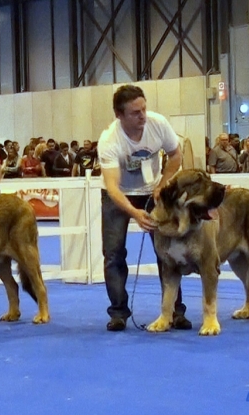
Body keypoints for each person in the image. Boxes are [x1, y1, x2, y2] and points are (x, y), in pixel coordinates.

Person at [97, 84, 191, 332]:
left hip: (153, 191)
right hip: (119, 195)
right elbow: (113, 188)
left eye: (144, 109)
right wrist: (135, 213)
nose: (143, 116)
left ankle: (174, 311)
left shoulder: (158, 124)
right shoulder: (109, 140)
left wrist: (163, 183)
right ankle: (118, 312)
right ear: (119, 115)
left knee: (167, 252)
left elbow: (175, 155)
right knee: (113, 253)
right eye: (135, 113)